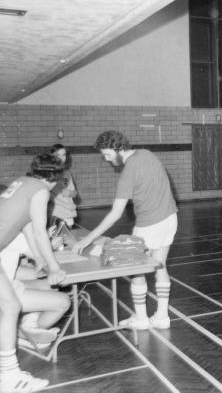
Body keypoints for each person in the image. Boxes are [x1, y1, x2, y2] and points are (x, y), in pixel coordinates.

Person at [72, 131, 178, 330]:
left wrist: (88, 239)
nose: (106, 159)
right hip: (170, 218)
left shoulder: (128, 171)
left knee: (136, 271)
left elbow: (116, 213)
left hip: (150, 224)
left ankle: (140, 319)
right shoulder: (147, 153)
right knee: (160, 265)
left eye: (107, 154)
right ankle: (162, 317)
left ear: (117, 148)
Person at [0, 154, 67, 393]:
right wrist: (55, 267)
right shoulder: (41, 190)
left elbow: (26, 226)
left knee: (9, 307)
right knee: (10, 307)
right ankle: (9, 377)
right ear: (56, 179)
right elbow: (39, 232)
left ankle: (9, 370)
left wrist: (41, 259)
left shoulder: (21, 183)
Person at [1, 233, 70, 349]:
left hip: (7, 283)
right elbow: (41, 258)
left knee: (51, 286)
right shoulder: (15, 234)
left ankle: (28, 322)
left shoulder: (7, 226)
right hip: (5, 290)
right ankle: (24, 333)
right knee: (64, 301)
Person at [49, 144, 78, 229]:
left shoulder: (67, 173)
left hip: (68, 213)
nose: (61, 158)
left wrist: (68, 193)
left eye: (64, 155)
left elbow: (74, 193)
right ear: (52, 156)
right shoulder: (48, 173)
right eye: (58, 155)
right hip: (56, 214)